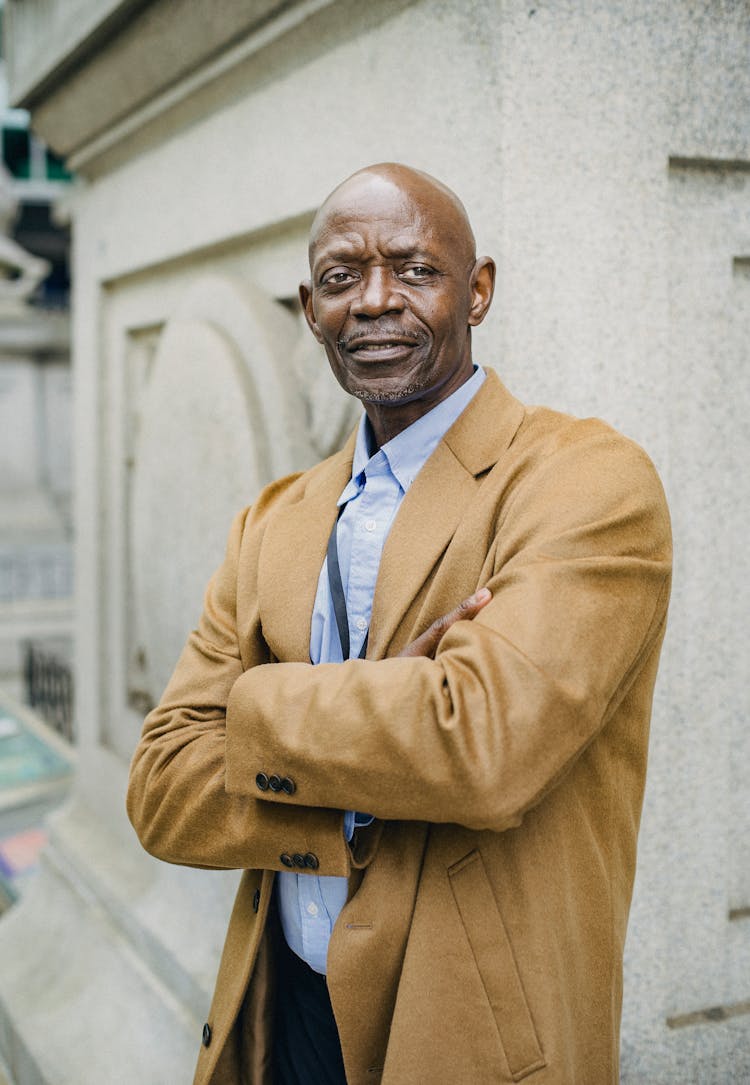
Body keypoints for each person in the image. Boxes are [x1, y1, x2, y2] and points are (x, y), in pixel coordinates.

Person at [126, 163, 672, 1085]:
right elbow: (161, 784)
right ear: (310, 307)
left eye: (415, 269)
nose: (375, 301)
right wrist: (392, 709)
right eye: (343, 277)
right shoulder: (272, 519)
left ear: (479, 289)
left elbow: (483, 746)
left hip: (474, 1035)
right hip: (285, 1016)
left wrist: (256, 709)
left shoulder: (588, 481)